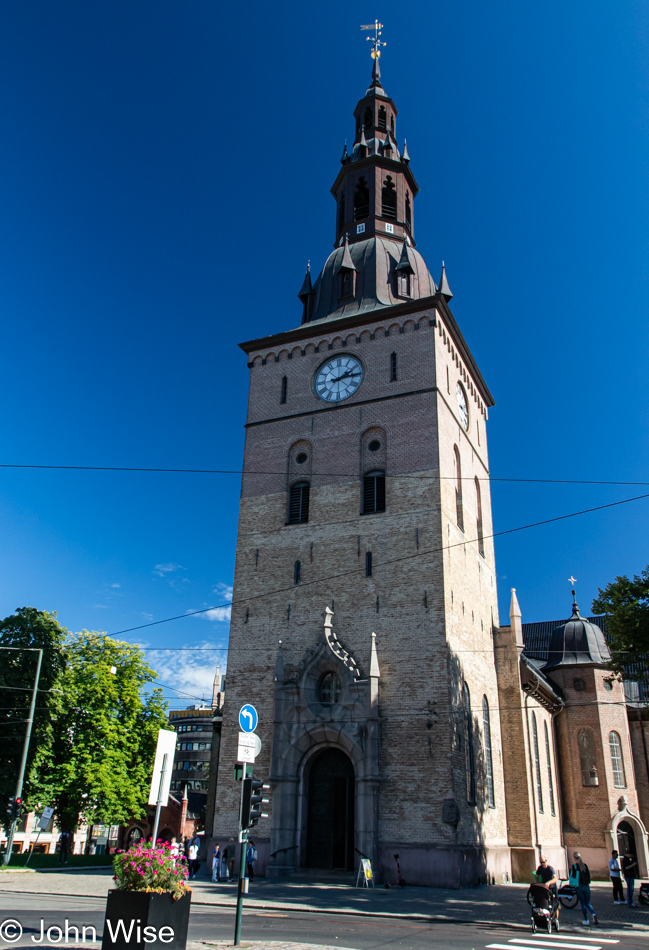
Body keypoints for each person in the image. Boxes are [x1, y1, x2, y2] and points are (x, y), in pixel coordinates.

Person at [571, 851, 597, 926]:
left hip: (579, 886)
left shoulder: (575, 866)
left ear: (574, 858)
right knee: (588, 903)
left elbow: (574, 876)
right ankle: (593, 914)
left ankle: (586, 919)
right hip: (586, 886)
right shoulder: (585, 866)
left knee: (583, 904)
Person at [535, 855, 559, 920]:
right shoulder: (540, 868)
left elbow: (555, 878)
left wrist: (549, 883)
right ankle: (547, 917)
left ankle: (556, 919)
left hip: (552, 888)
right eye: (541, 862)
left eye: (544, 862)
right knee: (546, 903)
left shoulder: (550, 868)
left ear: (546, 861)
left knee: (555, 904)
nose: (543, 864)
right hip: (545, 888)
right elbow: (536, 875)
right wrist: (537, 883)